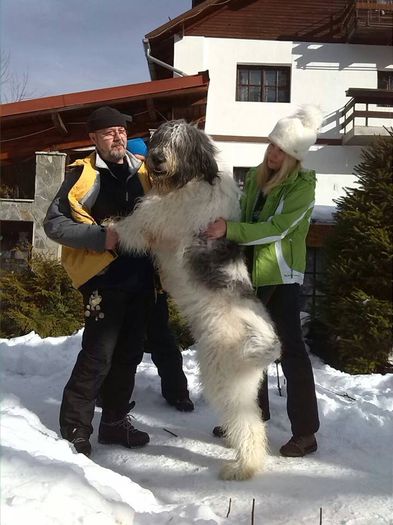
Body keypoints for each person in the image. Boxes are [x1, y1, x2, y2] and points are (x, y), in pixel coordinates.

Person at [206, 106, 322, 457]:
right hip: (249, 275)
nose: (272, 154)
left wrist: (231, 229)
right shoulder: (257, 175)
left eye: (281, 151)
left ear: (293, 157)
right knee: (247, 350)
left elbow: (278, 229)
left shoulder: (303, 187)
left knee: (290, 354)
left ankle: (306, 432)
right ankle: (252, 419)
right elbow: (242, 213)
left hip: (281, 278)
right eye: (272, 145)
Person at [44, 106, 155, 457]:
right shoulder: (83, 175)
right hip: (104, 281)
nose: (117, 136)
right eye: (109, 132)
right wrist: (98, 236)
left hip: (143, 279)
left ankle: (113, 423)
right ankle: (76, 426)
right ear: (93, 139)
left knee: (130, 355)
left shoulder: (145, 173)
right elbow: (54, 225)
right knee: (98, 355)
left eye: (121, 130)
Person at [126, 137, 194, 413]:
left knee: (163, 339)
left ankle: (178, 393)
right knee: (126, 342)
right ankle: (113, 394)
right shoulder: (124, 185)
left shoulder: (162, 187)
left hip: (154, 279)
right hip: (128, 275)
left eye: (142, 161)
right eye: (136, 160)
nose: (140, 167)